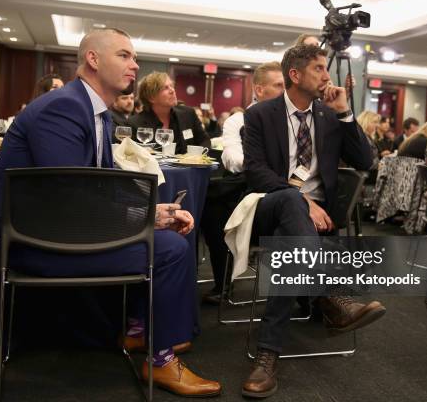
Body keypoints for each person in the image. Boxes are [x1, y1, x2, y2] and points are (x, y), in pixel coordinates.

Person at [0, 28, 221, 397]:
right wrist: (145, 218)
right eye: (124, 55)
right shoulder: (64, 106)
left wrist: (152, 211)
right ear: (93, 59)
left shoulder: (96, 112)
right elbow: (68, 197)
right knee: (171, 250)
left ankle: (141, 331)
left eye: (134, 57)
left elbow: (94, 190)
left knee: (166, 236)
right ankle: (159, 360)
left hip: (59, 229)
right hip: (35, 241)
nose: (135, 65)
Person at [241, 44, 385, 398]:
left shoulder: (328, 116)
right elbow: (255, 171)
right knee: (291, 201)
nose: (328, 76)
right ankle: (329, 296)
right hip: (272, 203)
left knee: (290, 252)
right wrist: (302, 200)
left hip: (314, 222)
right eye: (320, 69)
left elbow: (366, 161)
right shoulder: (261, 114)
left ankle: (267, 354)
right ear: (295, 75)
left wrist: (346, 113)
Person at [201, 61, 284, 304]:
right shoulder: (239, 121)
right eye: (279, 85)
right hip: (250, 186)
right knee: (212, 206)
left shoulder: (293, 119)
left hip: (284, 191)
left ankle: (305, 294)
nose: (285, 90)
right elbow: (231, 158)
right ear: (259, 90)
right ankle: (223, 283)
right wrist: (260, 165)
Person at [129, 72, 210, 154]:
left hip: (188, 165)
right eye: (165, 88)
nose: (172, 90)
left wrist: (198, 158)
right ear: (151, 97)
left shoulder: (188, 114)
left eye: (171, 86)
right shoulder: (135, 123)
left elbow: (204, 141)